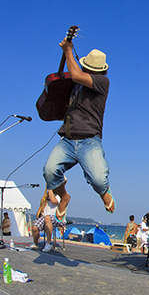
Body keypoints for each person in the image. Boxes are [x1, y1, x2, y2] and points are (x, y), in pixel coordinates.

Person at [43, 39, 115, 224]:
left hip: (89, 141)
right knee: (50, 171)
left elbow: (74, 74)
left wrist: (68, 50)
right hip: (67, 139)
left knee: (99, 180)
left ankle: (104, 192)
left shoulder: (102, 81)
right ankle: (64, 197)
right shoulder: (77, 86)